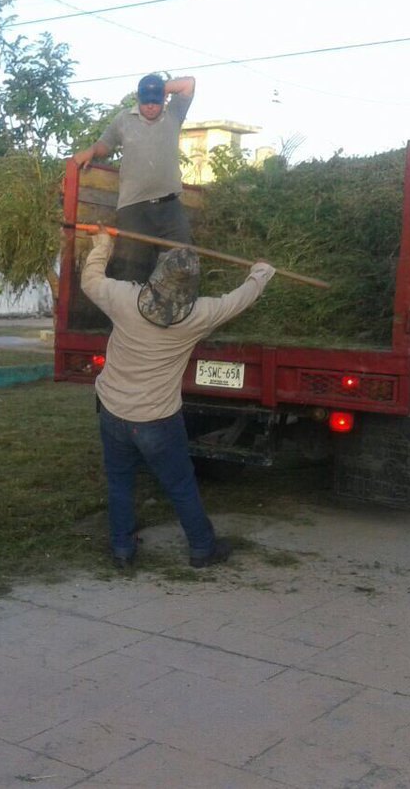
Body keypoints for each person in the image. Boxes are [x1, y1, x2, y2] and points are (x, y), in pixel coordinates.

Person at [81, 228, 274, 569]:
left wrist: (103, 245)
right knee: (181, 484)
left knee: (120, 482)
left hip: (113, 412)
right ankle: (202, 548)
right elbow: (239, 300)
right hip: (158, 421)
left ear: (155, 278)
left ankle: (122, 550)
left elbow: (91, 280)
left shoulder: (124, 299)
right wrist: (260, 273)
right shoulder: (199, 315)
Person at [73, 73, 196, 282]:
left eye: (155, 101)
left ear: (163, 99)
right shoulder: (123, 119)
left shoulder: (174, 114)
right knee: (131, 268)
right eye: (145, 101)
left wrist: (159, 88)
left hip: (170, 207)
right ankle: (128, 313)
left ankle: (170, 312)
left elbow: (188, 84)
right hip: (134, 207)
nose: (150, 106)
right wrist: (92, 151)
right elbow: (106, 143)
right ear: (138, 99)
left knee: (181, 263)